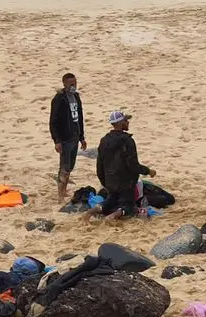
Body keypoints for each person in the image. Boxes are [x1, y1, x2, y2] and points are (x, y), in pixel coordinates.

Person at [83, 111, 155, 221]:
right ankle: (112, 217)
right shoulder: (128, 141)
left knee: (109, 202)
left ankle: (91, 212)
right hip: (126, 182)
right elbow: (133, 165)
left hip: (110, 181)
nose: (128, 122)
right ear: (120, 123)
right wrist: (148, 171)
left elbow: (100, 166)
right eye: (126, 120)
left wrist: (105, 183)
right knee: (127, 206)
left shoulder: (104, 140)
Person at [49, 72, 87, 202]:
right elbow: (53, 121)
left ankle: (64, 191)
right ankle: (60, 194)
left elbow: (80, 118)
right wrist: (56, 140)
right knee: (64, 167)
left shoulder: (76, 96)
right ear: (64, 84)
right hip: (64, 138)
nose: (73, 86)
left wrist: (82, 137)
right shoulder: (59, 99)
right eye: (71, 84)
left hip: (75, 136)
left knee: (70, 166)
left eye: (75, 83)